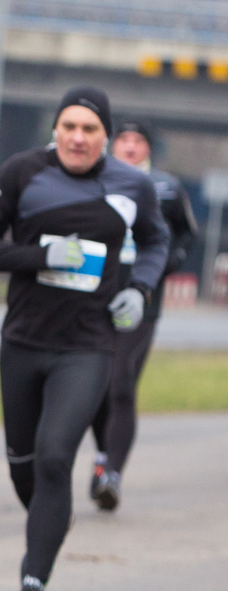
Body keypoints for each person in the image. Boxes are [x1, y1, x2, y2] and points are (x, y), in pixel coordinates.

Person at [0, 87, 166, 591]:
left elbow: (156, 240)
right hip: (24, 341)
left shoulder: (132, 186)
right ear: (55, 130)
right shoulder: (21, 172)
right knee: (24, 466)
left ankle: (32, 589)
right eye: (69, 126)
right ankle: (51, 521)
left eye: (90, 129)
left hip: (88, 345)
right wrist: (41, 257)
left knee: (56, 458)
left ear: (106, 137)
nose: (78, 137)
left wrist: (142, 289)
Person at [86, 117, 197, 510]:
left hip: (144, 297)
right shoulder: (93, 180)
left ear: (149, 148)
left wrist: (165, 264)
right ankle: (103, 457)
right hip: (95, 292)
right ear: (113, 146)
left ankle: (113, 472)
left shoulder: (166, 187)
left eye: (139, 141)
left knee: (121, 382)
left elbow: (185, 232)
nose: (131, 147)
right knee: (95, 387)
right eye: (125, 140)